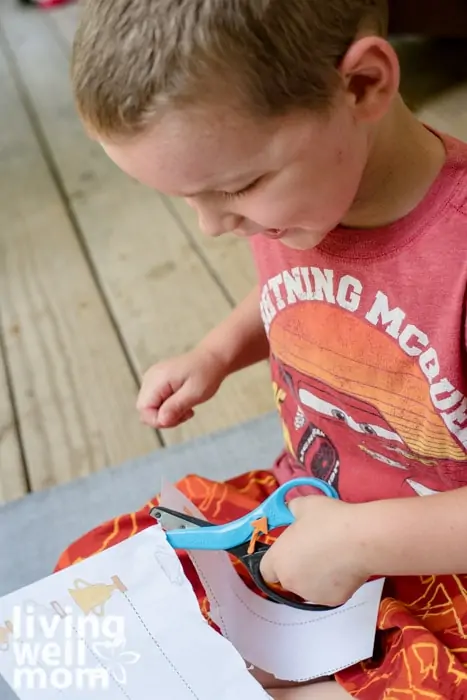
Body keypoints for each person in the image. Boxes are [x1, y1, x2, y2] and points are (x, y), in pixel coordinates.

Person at [55, 0, 467, 697]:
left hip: (441, 567)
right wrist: (215, 352)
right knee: (92, 580)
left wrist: (357, 543)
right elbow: (306, 293)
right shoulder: (302, 206)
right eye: (188, 200)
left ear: (363, 86)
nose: (214, 225)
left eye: (235, 188)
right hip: (301, 506)